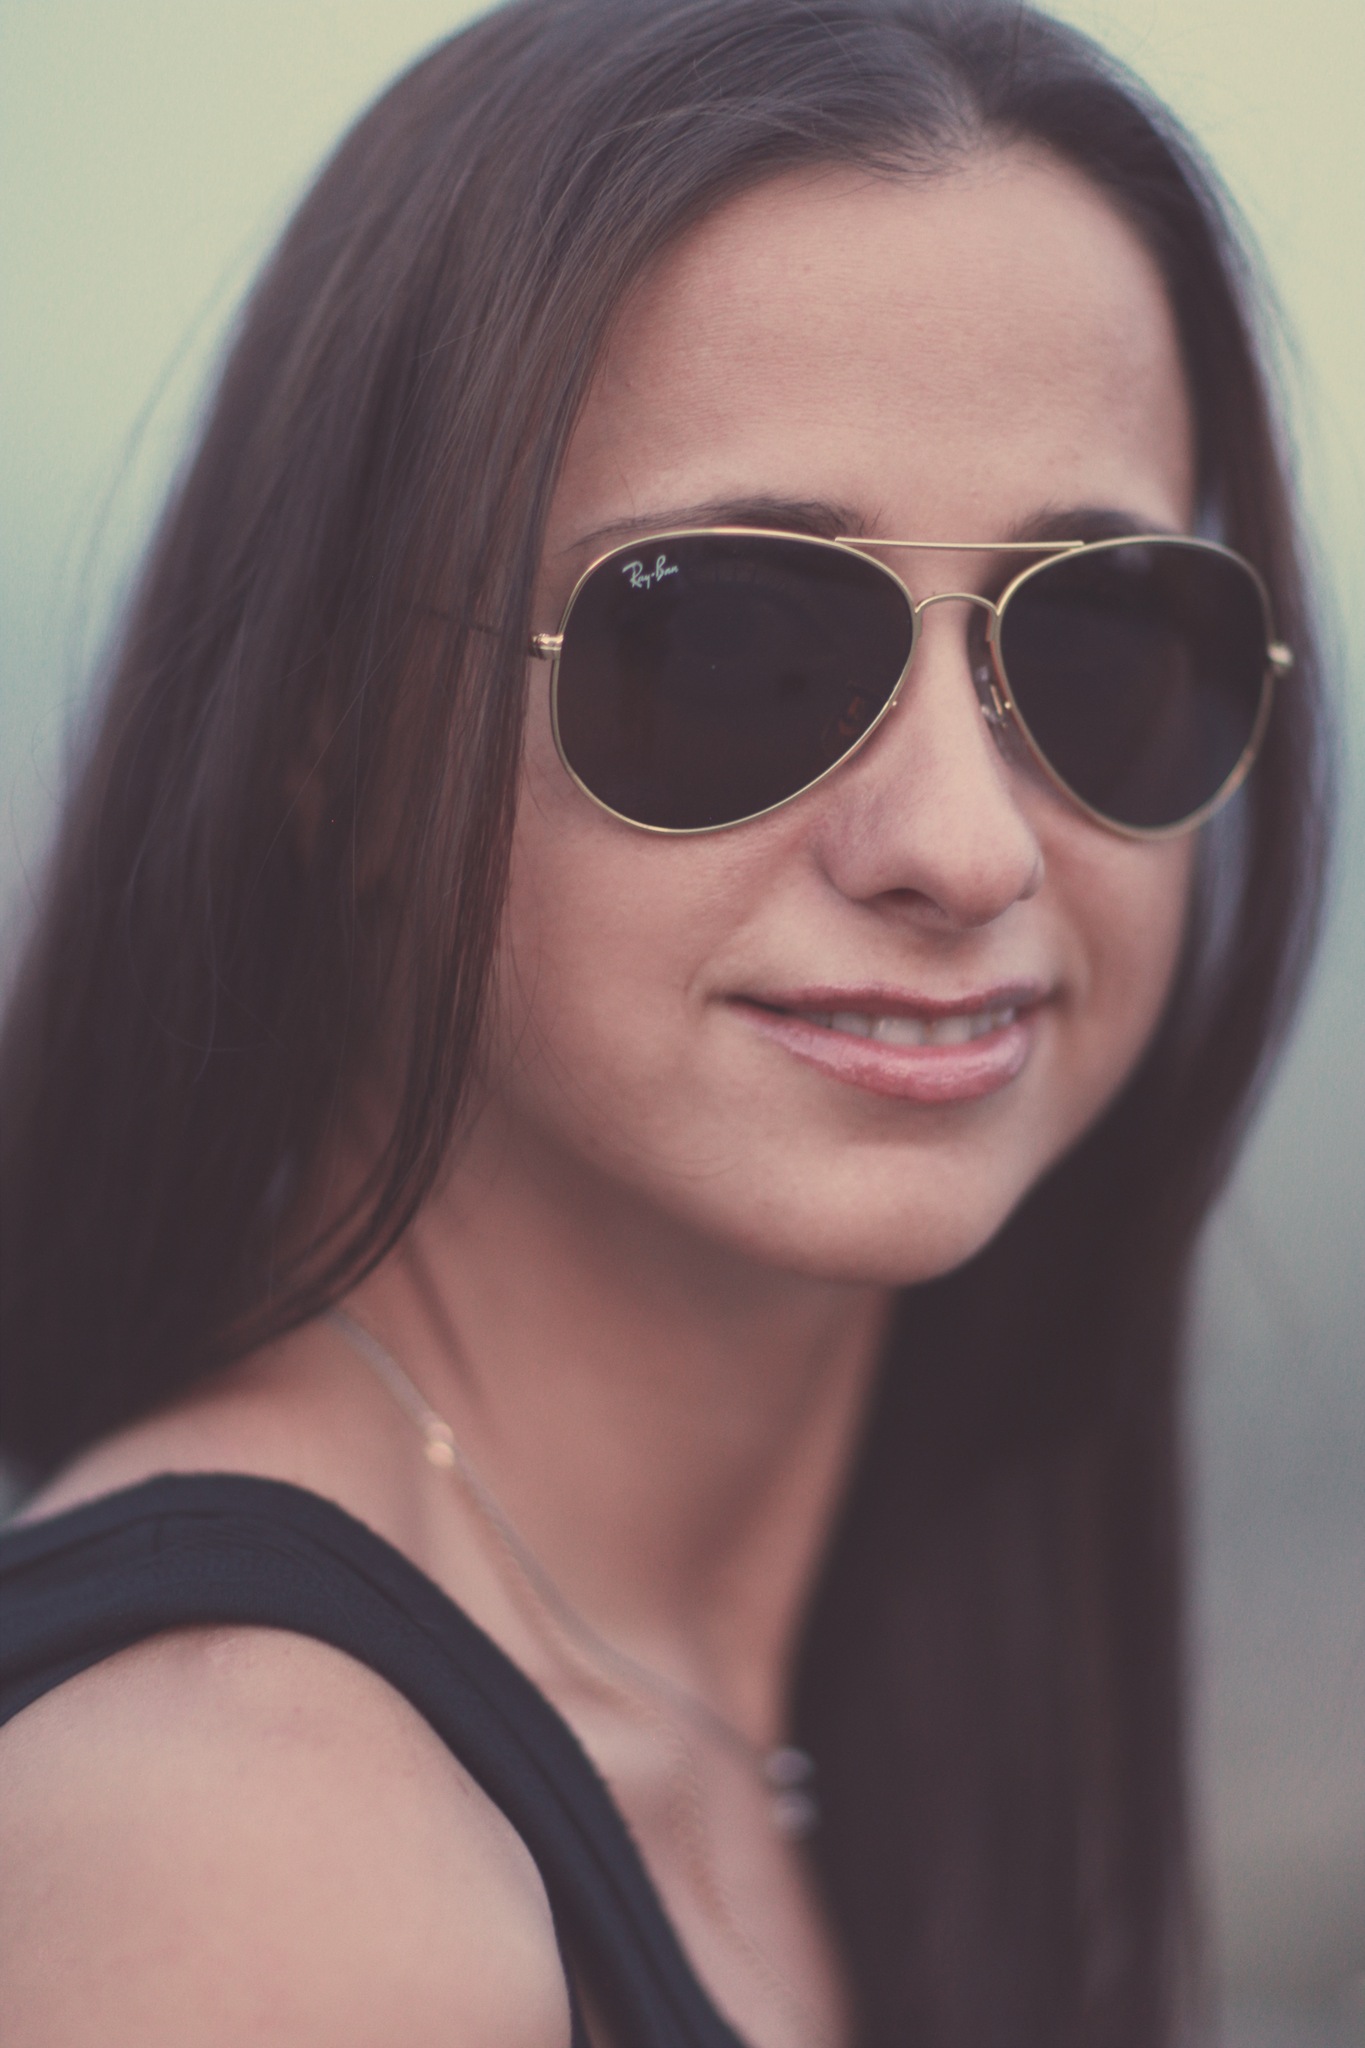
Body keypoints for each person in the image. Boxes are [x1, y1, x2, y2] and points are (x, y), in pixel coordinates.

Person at [0, 1, 1330, 2042]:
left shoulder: (865, 1700)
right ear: (337, 736)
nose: (964, 843)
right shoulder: (256, 1858)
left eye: (1092, 639)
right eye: (729, 640)